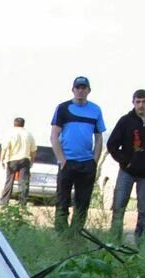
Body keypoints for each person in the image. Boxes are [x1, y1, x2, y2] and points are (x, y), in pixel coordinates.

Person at [105, 90, 145, 238]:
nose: (141, 105)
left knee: (144, 209)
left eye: (144, 101)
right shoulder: (125, 121)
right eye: (138, 102)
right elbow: (112, 144)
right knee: (119, 207)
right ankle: (114, 239)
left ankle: (143, 241)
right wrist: (125, 161)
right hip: (127, 172)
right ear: (133, 102)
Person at [50, 76, 106, 233]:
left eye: (84, 88)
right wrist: (62, 159)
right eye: (78, 88)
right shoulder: (63, 108)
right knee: (62, 201)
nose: (81, 91)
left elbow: (99, 137)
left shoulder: (95, 110)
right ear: (73, 90)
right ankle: (61, 234)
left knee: (82, 203)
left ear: (88, 90)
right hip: (68, 163)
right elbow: (54, 135)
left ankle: (76, 234)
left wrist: (95, 160)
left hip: (87, 163)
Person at [0, 117, 37, 207]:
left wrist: (2, 160)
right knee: (24, 182)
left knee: (9, 181)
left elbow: (4, 148)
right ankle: (22, 202)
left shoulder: (10, 133)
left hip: (12, 159)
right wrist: (32, 161)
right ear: (23, 124)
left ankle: (4, 200)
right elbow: (34, 150)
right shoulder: (29, 134)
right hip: (25, 159)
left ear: (14, 124)